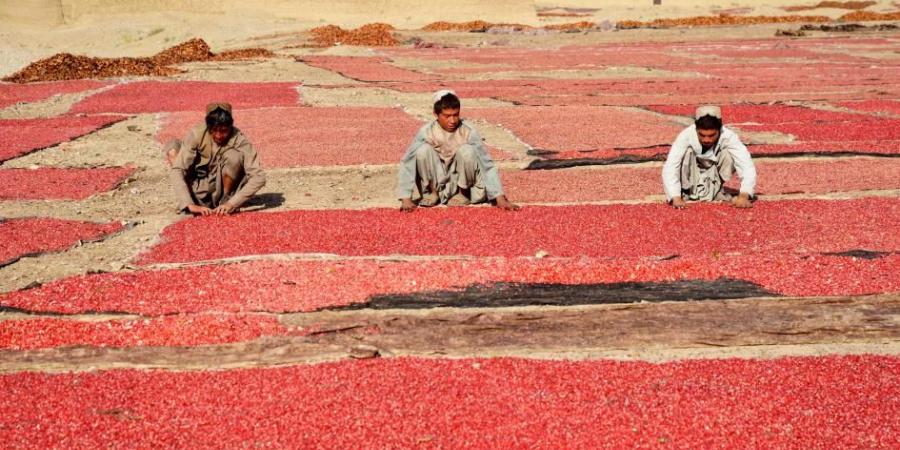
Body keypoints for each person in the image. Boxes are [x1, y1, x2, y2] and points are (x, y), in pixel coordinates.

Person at [396, 90, 519, 212]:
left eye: (456, 115)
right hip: (438, 181)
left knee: (467, 150)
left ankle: (463, 194)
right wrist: (405, 198)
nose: (452, 121)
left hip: (464, 184)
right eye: (447, 116)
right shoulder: (426, 132)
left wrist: (500, 198)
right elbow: (407, 162)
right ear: (436, 114)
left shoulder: (468, 131)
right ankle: (433, 193)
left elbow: (486, 164)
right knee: (422, 151)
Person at [165, 102, 266, 216]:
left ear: (230, 127)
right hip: (200, 186)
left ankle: (224, 201)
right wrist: (188, 203)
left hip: (225, 193)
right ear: (208, 127)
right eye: (214, 130)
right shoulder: (197, 134)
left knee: (233, 156)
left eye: (223, 131)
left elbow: (259, 177)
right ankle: (192, 201)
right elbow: (177, 169)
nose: (218, 136)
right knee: (173, 148)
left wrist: (232, 204)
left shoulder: (239, 140)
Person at [661, 105, 757, 209]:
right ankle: (686, 192)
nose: (706, 140)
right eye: (702, 135)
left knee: (729, 154)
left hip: (714, 175)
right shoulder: (685, 135)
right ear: (696, 129)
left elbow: (746, 165)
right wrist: (675, 197)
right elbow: (671, 166)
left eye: (711, 135)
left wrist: (744, 195)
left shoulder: (729, 136)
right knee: (686, 153)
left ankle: (715, 191)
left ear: (719, 130)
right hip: (690, 176)